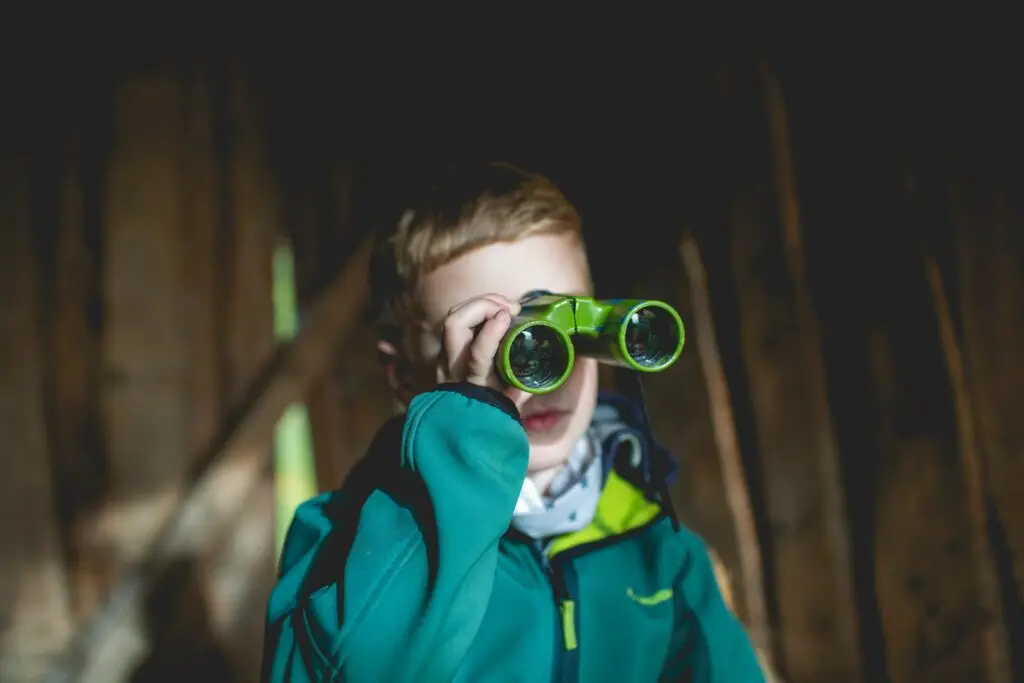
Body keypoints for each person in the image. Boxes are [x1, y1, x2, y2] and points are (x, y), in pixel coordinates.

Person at [261, 162, 770, 682]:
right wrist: (471, 435)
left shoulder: (660, 551)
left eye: (571, 333)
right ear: (401, 372)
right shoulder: (336, 541)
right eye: (497, 341)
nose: (544, 378)